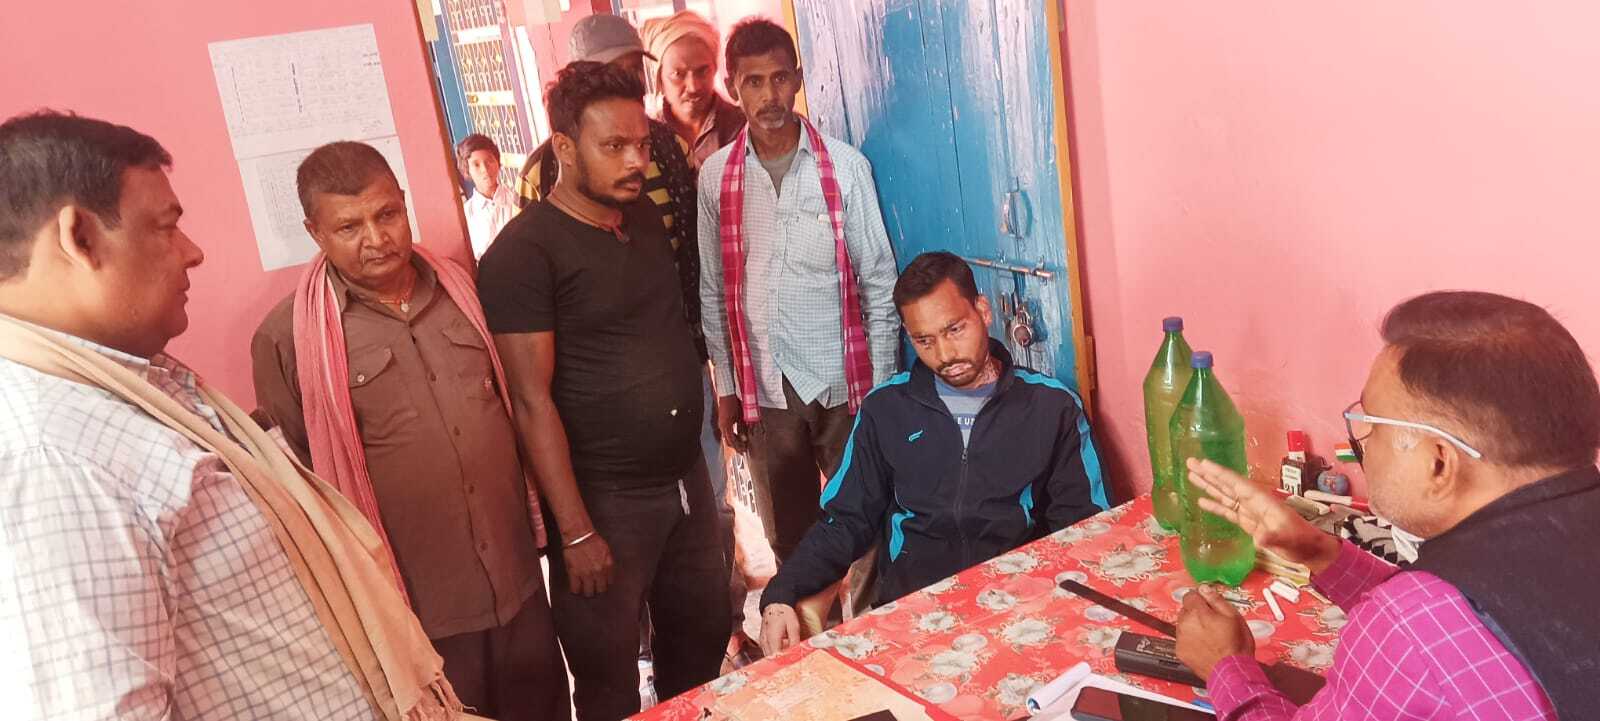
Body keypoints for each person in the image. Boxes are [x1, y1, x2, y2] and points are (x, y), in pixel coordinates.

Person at [0, 111, 465, 720]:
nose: (192, 252)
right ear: (79, 238)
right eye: (166, 227)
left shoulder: (137, 391)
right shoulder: (52, 460)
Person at [251, 141, 567, 721]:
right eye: (349, 227)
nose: (376, 238)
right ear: (315, 232)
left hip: (519, 583)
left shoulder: (466, 292)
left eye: (387, 214)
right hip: (417, 614)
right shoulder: (289, 340)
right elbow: (311, 467)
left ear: (403, 202)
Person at [1175, 291, 1599, 720]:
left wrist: (1224, 665)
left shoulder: (1406, 629)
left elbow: (1424, 635)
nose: (1364, 444)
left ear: (1438, 462)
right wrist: (1320, 553)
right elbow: (1467, 622)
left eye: (1371, 424)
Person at [478, 62, 730, 721]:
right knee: (608, 679)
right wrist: (575, 531)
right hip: (605, 502)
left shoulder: (638, 217)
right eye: (613, 146)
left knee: (702, 644)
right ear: (564, 148)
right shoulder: (523, 255)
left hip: (684, 484)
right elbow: (530, 402)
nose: (636, 162)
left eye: (641, 144)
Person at [757, 252, 1108, 653]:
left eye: (955, 329)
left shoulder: (1051, 407)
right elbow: (846, 520)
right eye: (924, 340)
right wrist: (781, 593)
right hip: (911, 619)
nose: (944, 355)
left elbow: (1083, 528)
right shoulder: (886, 410)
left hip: (1017, 615)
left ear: (983, 311)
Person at [698, 17, 900, 617]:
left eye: (780, 78)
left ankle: (869, 632)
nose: (770, 96)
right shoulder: (717, 178)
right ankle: (816, 639)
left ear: (799, 79)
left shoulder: (844, 167)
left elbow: (878, 280)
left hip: (844, 382)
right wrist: (727, 389)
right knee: (789, 532)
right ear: (733, 88)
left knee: (866, 518)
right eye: (753, 82)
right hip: (766, 388)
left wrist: (881, 390)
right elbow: (714, 292)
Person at [641, 10, 746, 166]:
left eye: (702, 71)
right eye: (677, 74)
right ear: (659, 78)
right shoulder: (647, 138)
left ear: (715, 69)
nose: (693, 87)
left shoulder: (743, 128)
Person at [456, 133, 517, 259]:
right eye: (476, 164)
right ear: (467, 171)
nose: (485, 169)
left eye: (489, 161)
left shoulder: (517, 200)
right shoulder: (466, 215)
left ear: (498, 162)